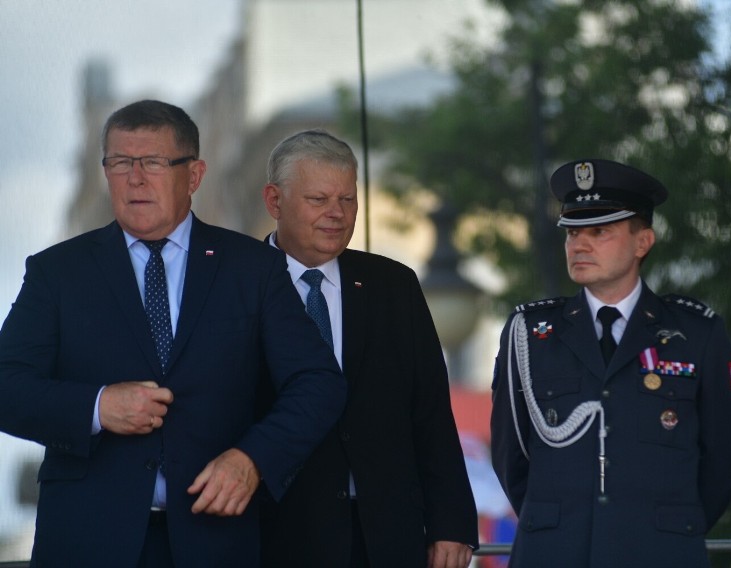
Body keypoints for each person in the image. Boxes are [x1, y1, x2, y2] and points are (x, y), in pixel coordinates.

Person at [0, 100, 347, 568]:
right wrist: (98, 406)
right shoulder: (57, 272)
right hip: (87, 542)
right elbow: (7, 386)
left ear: (195, 175)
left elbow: (319, 382)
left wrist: (253, 461)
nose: (135, 178)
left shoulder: (252, 269)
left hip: (216, 541)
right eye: (120, 163)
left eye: (154, 163)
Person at [490, 159, 731, 567]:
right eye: (572, 232)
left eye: (599, 232)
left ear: (642, 242)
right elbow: (511, 454)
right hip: (554, 554)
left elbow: (726, 459)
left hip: (658, 554)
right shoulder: (530, 333)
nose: (579, 244)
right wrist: (558, 523)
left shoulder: (697, 334)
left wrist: (670, 525)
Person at [257, 129, 479, 568]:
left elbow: (430, 410)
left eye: (348, 200)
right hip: (274, 534)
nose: (336, 214)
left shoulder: (392, 285)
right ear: (274, 201)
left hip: (384, 536)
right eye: (318, 200)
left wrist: (451, 521)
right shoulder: (237, 283)